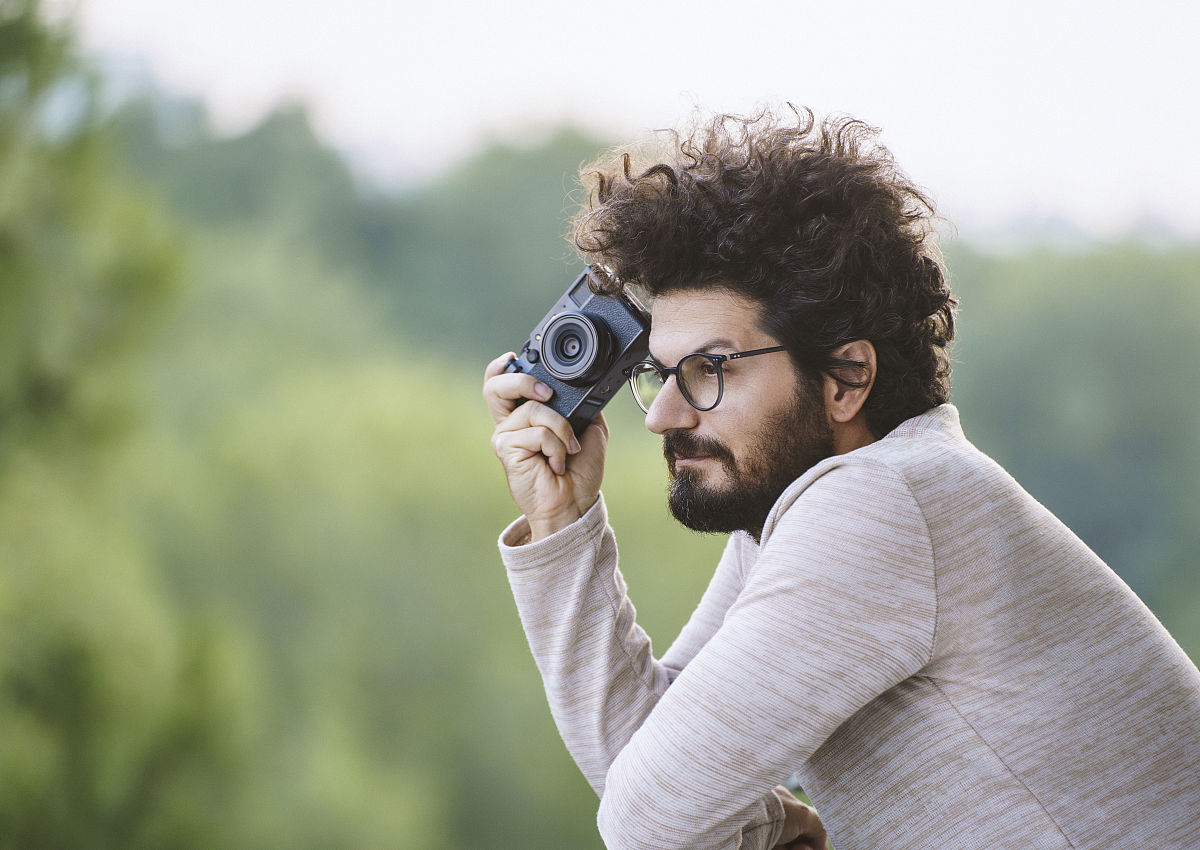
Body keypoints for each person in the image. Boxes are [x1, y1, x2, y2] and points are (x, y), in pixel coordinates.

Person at [481, 107, 1200, 850]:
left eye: (707, 370)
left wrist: (783, 833)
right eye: (661, 373)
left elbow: (650, 821)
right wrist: (561, 524)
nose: (661, 414)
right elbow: (648, 765)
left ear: (847, 378)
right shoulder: (825, 505)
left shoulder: (879, 505)